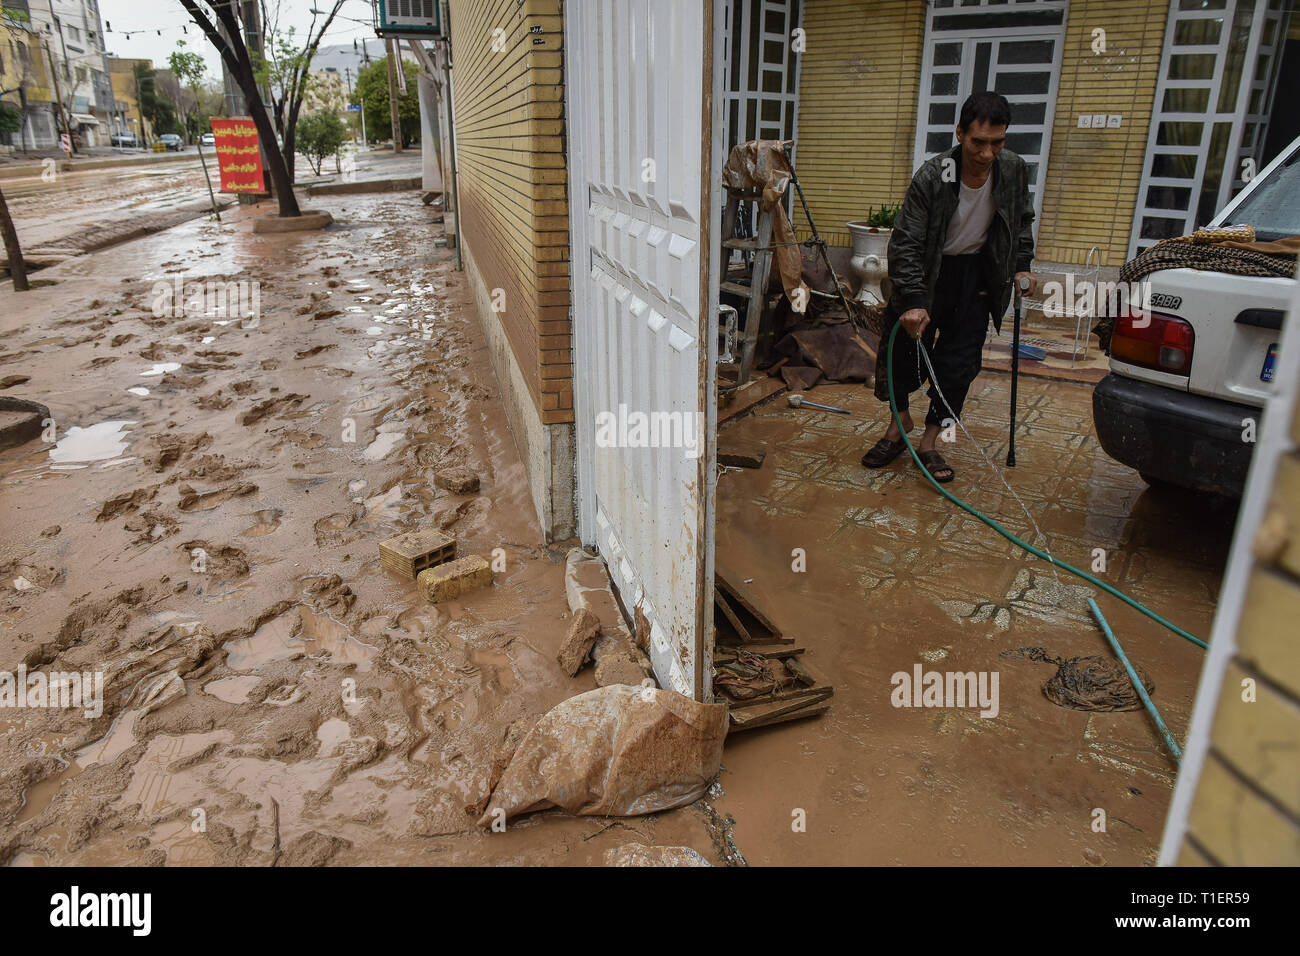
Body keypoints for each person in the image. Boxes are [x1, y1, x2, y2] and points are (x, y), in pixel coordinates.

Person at [862, 90, 1038, 483]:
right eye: (979, 142)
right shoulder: (934, 174)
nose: (988, 153)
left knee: (958, 366)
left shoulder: (1012, 170)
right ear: (960, 133)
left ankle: (928, 443)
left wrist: (1022, 266)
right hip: (929, 275)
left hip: (977, 276)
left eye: (998, 143)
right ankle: (898, 426)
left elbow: (1021, 220)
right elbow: (906, 239)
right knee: (902, 354)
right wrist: (913, 299)